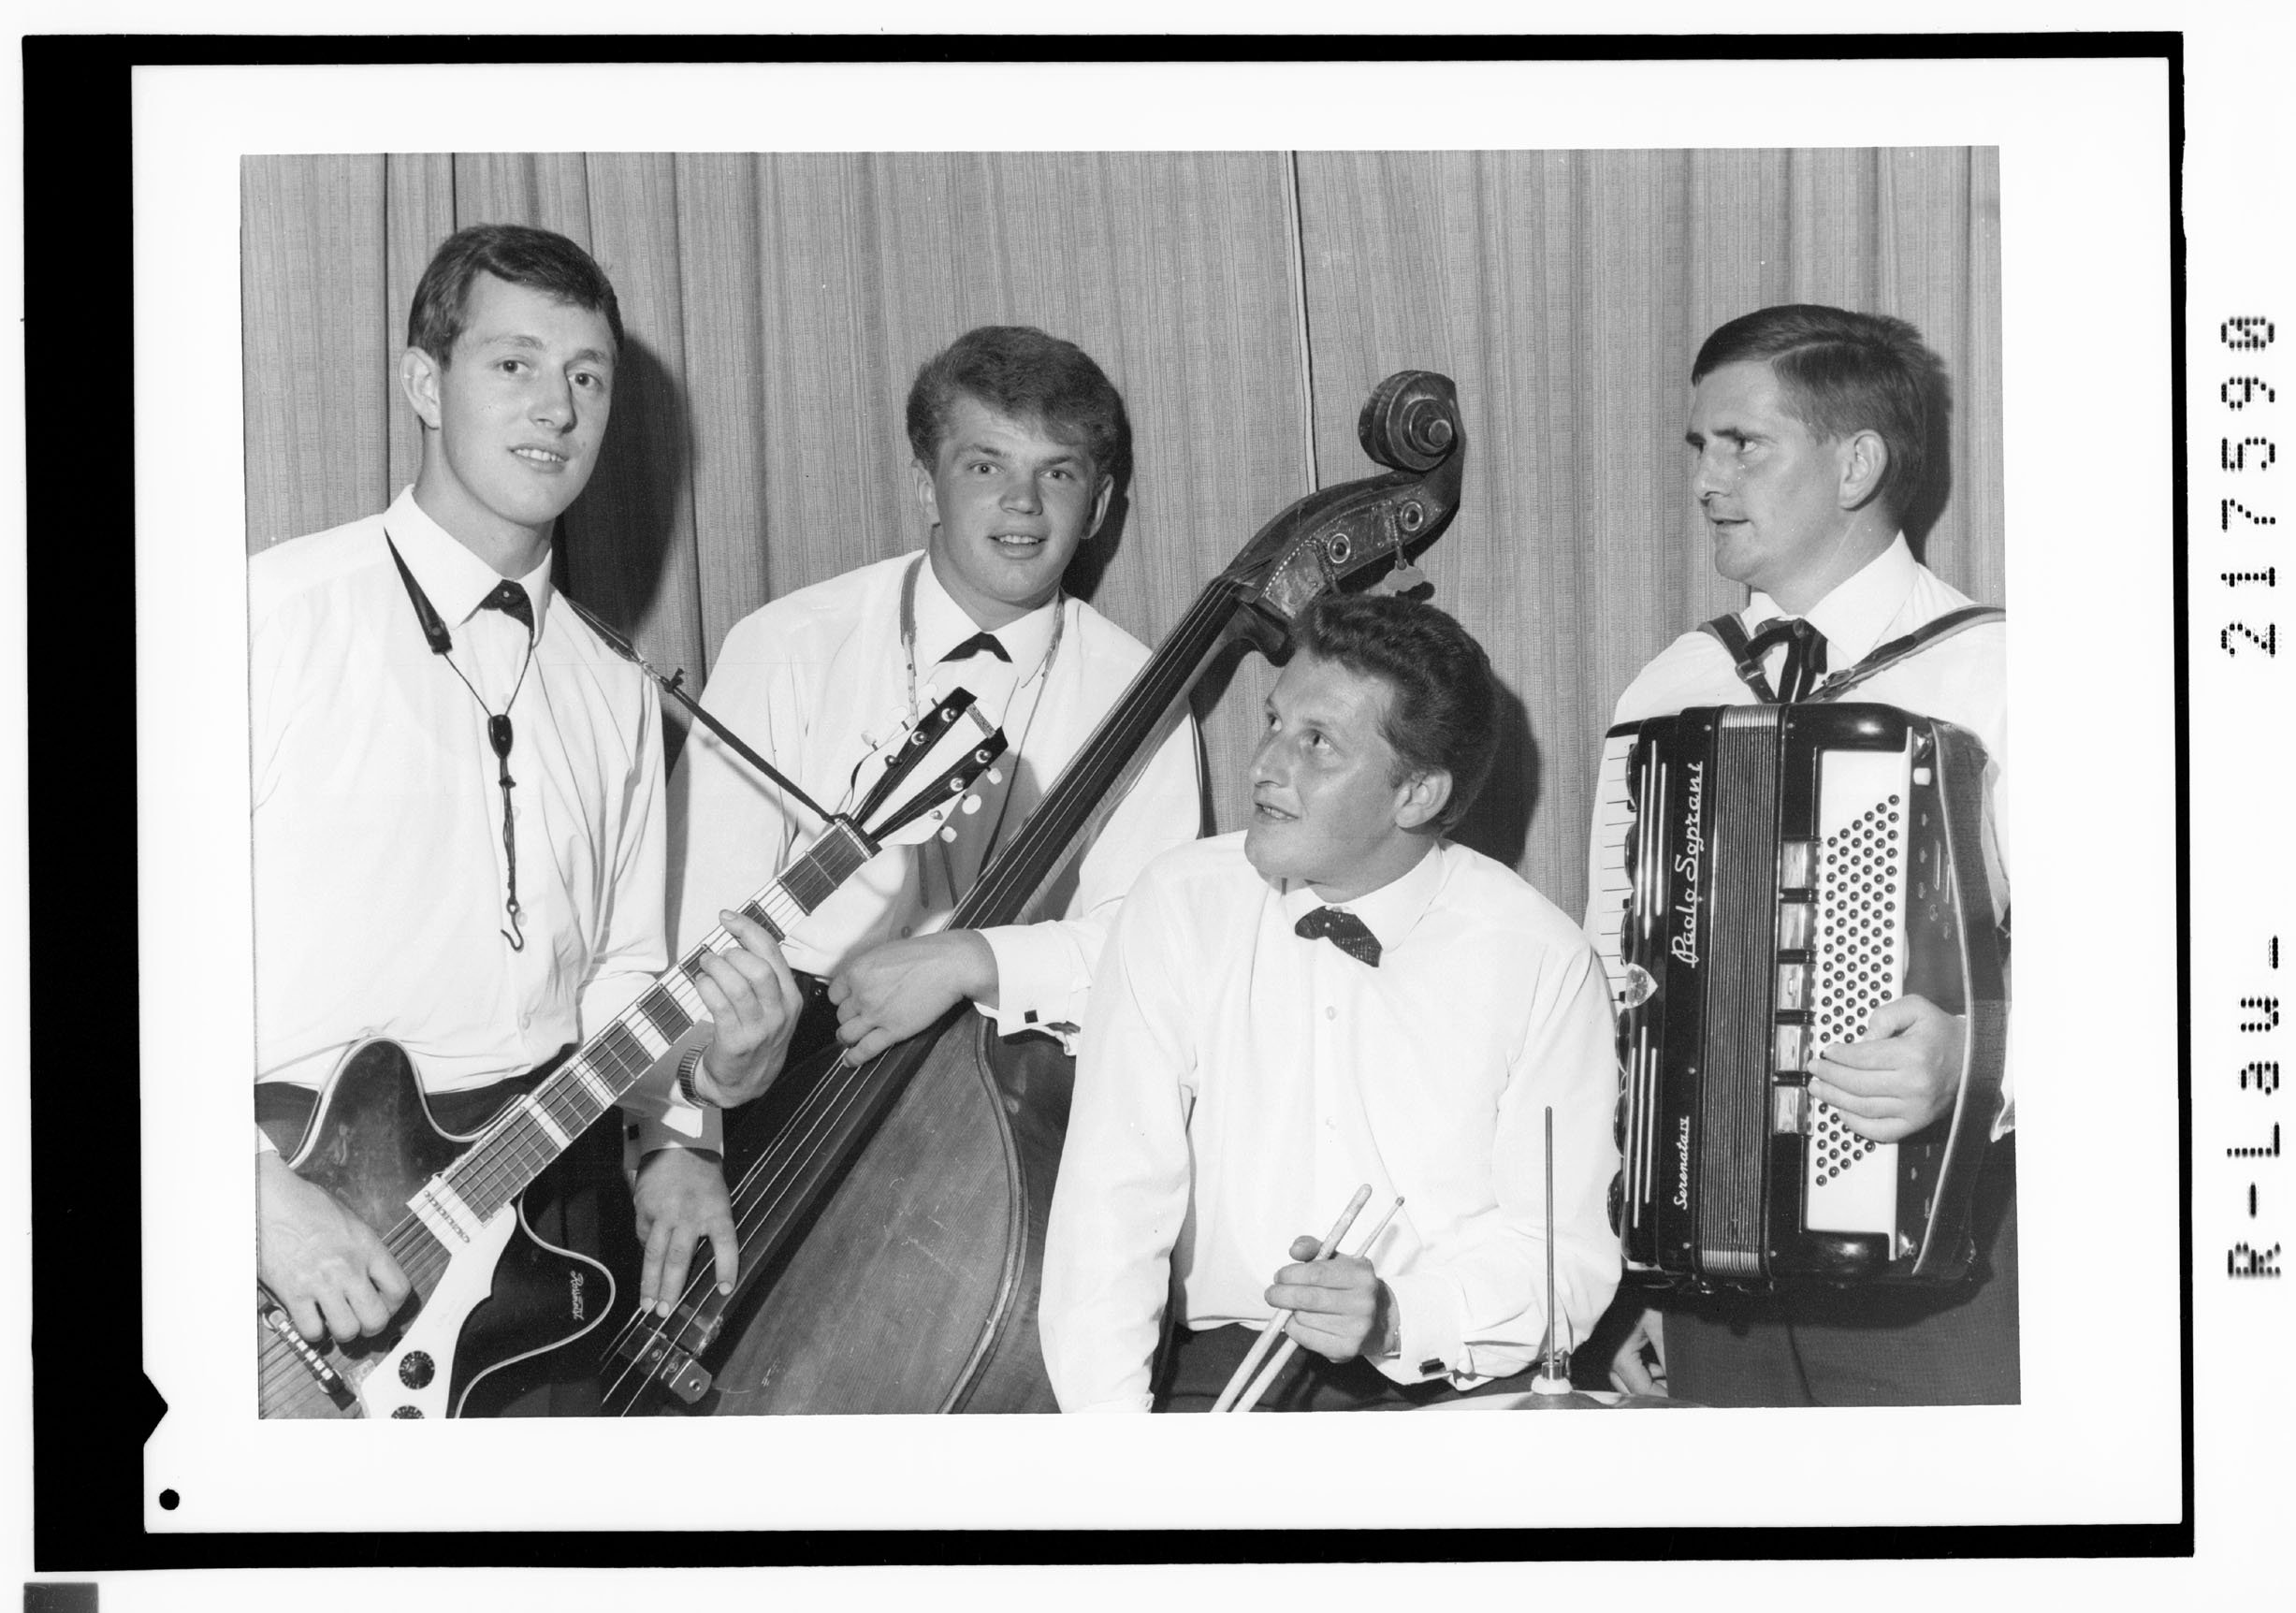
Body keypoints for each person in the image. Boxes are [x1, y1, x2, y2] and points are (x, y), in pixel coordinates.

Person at [250, 224, 795, 1397]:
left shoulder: (616, 684)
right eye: (514, 364)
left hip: (531, 1245)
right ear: (423, 383)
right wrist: (247, 1199)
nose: (558, 407)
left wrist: (708, 1086)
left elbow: (617, 984)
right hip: (276, 1238)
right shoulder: (268, 618)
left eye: (587, 376)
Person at [638, 324, 1203, 1314]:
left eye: (1058, 473)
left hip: (996, 1103)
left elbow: (1155, 952)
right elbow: (692, 936)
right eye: (985, 465)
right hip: (770, 1079)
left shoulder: (1142, 694)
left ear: (1101, 504)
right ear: (924, 483)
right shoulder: (791, 643)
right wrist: (679, 1143)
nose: (1022, 504)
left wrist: (970, 959)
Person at [1039, 593, 1620, 1412]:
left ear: (1416, 794)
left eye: (1317, 743)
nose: (1265, 766)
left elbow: (1563, 1255)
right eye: (1275, 723)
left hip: (1458, 1390)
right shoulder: (1179, 902)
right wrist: (1117, 1453)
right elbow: (1111, 1210)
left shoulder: (1542, 959)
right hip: (1223, 1377)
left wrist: (1397, 1316)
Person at [1590, 303, 2013, 1406]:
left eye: (1743, 445)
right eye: (1700, 447)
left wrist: (1975, 1057)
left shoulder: (1999, 674)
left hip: (1944, 1265)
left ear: (1856, 463)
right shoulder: (1669, 685)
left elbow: (2146, 978)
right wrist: (1626, 1263)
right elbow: (1617, 983)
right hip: (1709, 1281)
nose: (1706, 480)